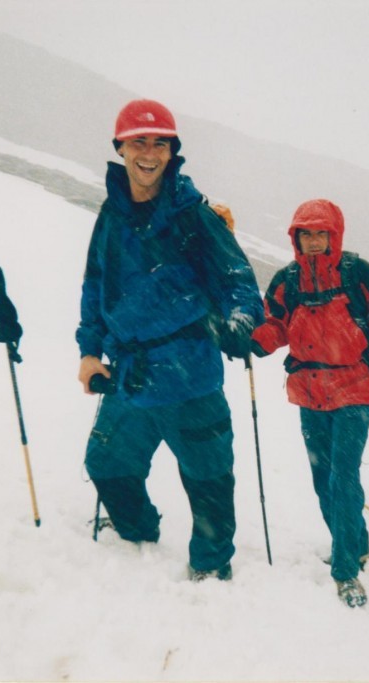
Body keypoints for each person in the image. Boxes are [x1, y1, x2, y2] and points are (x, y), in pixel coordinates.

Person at [75, 99, 264, 581]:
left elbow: (240, 282)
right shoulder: (111, 215)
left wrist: (239, 324)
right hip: (130, 376)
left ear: (172, 151)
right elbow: (96, 285)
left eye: (160, 143)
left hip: (190, 375)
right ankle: (137, 532)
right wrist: (89, 352)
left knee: (209, 480)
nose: (149, 152)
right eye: (139, 141)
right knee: (107, 464)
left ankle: (210, 566)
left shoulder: (194, 216)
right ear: (120, 147)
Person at [250, 198, 369, 608]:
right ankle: (355, 544)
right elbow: (275, 323)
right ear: (295, 238)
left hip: (354, 387)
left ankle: (346, 571)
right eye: (305, 234)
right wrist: (253, 340)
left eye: (321, 233)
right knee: (323, 480)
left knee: (343, 477)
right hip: (309, 390)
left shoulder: (357, 273)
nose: (313, 241)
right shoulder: (288, 280)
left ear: (334, 235)